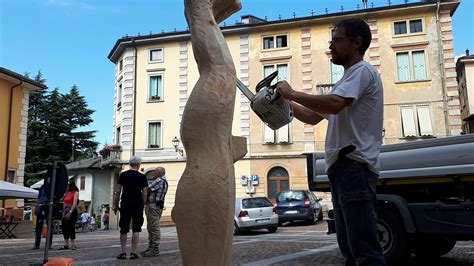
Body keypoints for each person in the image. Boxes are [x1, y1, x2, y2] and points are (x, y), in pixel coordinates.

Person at [276, 18, 385, 265]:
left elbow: (334, 105)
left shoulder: (362, 71)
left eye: (336, 40)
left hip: (354, 166)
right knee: (350, 248)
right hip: (343, 168)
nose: (331, 46)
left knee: (365, 249)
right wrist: (284, 104)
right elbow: (314, 117)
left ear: (357, 43)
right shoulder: (346, 80)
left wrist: (292, 93)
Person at [113, 156, 148, 260]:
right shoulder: (142, 177)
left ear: (130, 164)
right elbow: (145, 192)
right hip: (137, 204)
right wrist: (143, 203)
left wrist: (116, 204)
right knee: (136, 229)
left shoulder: (123, 175)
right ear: (139, 165)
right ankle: (133, 252)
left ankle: (123, 252)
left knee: (123, 229)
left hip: (125, 204)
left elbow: (118, 191)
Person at [141, 167, 169, 257]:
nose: (154, 173)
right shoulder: (163, 181)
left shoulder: (159, 180)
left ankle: (154, 249)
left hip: (153, 206)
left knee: (154, 228)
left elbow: (147, 189)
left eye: (155, 172)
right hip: (157, 206)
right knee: (151, 227)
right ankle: (151, 248)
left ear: (160, 173)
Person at [59, 180, 79, 250]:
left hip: (72, 211)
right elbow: (62, 201)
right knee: (64, 228)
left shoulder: (76, 193)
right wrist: (63, 196)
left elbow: (74, 203)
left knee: (71, 228)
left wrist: (70, 212)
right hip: (65, 211)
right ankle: (66, 244)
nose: (67, 186)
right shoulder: (67, 193)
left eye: (68, 185)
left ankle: (73, 244)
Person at [32, 184, 53, 250]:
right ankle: (36, 245)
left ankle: (49, 244)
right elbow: (38, 198)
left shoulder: (52, 187)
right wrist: (36, 207)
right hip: (40, 208)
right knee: (38, 227)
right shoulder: (42, 187)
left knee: (49, 227)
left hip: (48, 208)